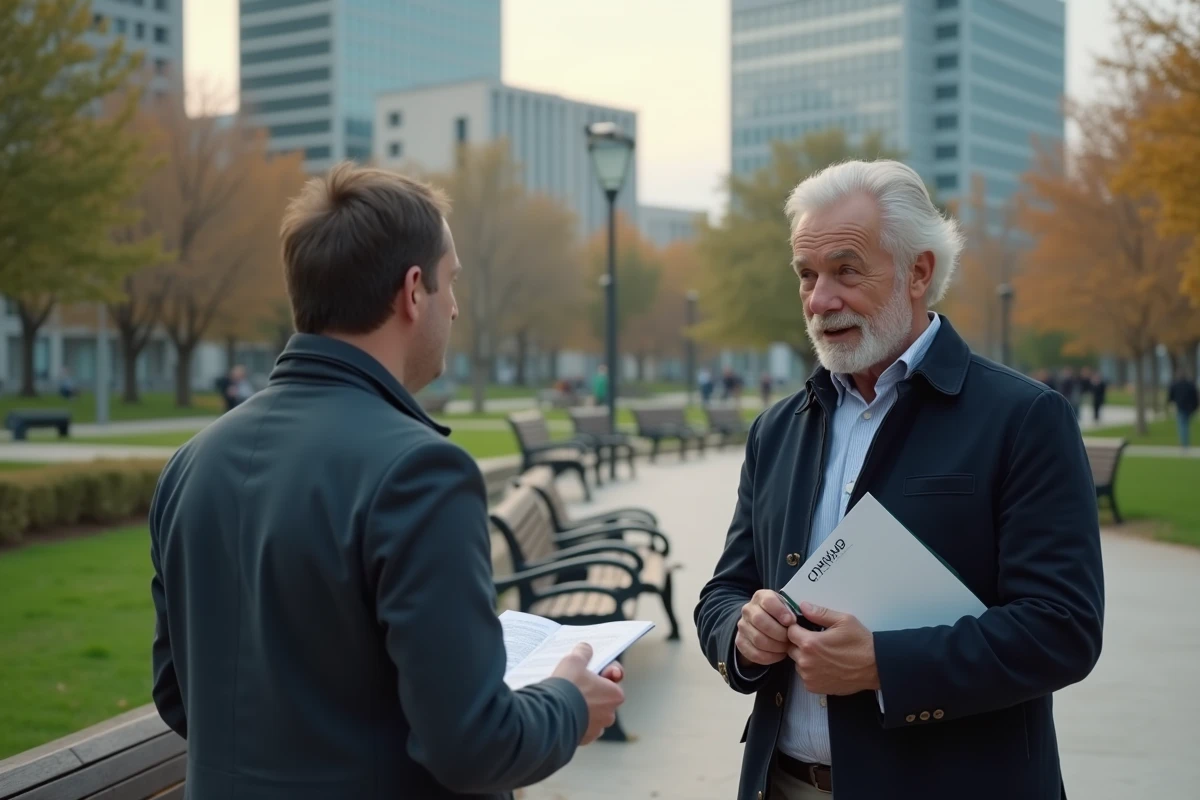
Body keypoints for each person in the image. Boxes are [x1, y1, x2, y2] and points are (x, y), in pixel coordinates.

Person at [148, 163, 625, 799]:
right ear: (412, 291)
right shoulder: (418, 470)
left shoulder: (189, 464)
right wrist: (569, 700)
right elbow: (475, 745)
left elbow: (179, 699)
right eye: (451, 281)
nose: (454, 307)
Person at [694, 160, 1104, 800]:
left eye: (846, 270)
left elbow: (1062, 628)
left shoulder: (1025, 418)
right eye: (807, 275)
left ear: (919, 272)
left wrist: (886, 665)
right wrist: (742, 634)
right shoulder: (778, 428)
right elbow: (725, 591)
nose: (820, 299)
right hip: (782, 783)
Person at [1168, 370, 1199, 450]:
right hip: (1189, 408)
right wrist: (1195, 407)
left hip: (1181, 407)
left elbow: (1171, 396)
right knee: (1185, 425)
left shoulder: (1175, 385)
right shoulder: (1190, 385)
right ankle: (1185, 443)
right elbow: (1195, 397)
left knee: (1182, 426)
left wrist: (1171, 404)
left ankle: (1184, 444)